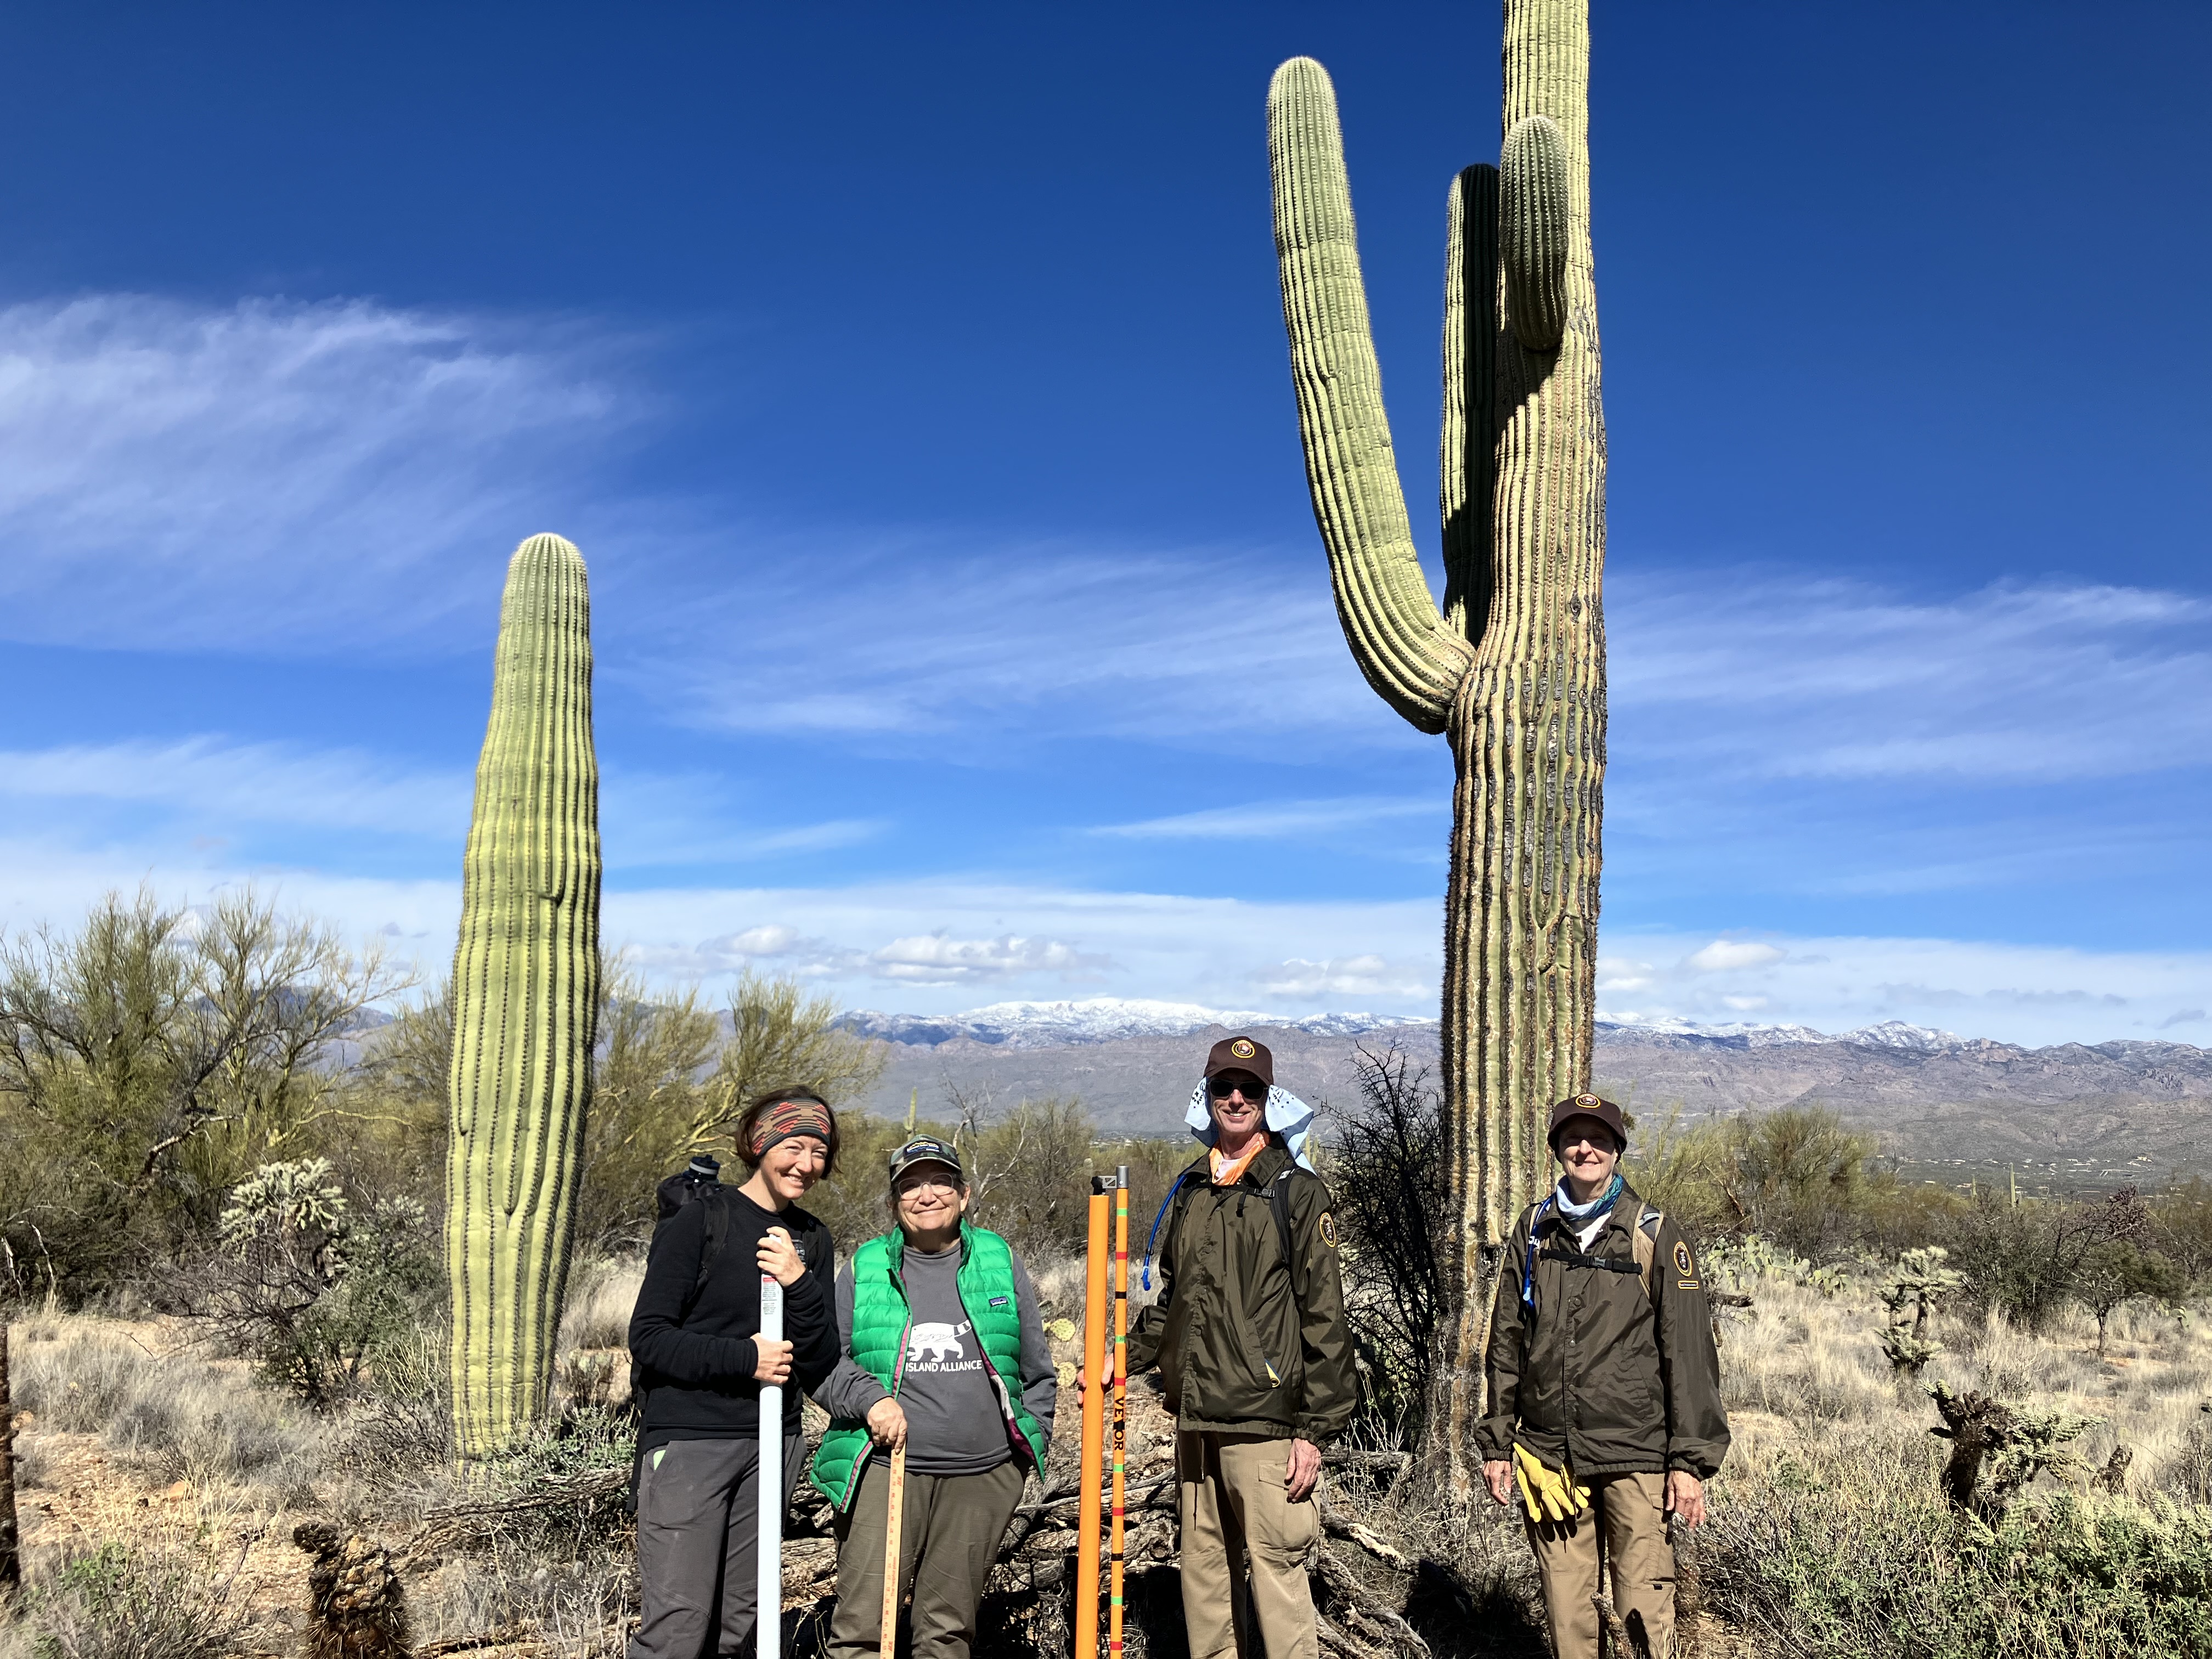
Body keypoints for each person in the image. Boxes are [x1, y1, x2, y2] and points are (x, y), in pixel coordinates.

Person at [1117, 1035, 1356, 1659]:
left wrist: (1315, 1430)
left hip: (1266, 1423)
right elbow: (1175, 1302)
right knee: (1205, 1579)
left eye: (1251, 1089)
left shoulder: (1297, 1192)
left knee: (1277, 1577)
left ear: (1268, 1101)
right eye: (1224, 1087)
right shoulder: (1191, 1188)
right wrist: (1124, 1356)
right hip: (1195, 1417)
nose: (1237, 1099)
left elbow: (1325, 1318)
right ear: (1209, 1094)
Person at [1477, 1092, 1730, 1659]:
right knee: (1569, 1618)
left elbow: (1688, 1353)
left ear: (1617, 1149)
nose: (1584, 1148)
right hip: (1549, 1453)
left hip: (1635, 1453)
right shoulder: (1535, 1229)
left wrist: (1688, 1461)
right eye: (1572, 1138)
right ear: (1557, 1149)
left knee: (1642, 1613)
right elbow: (1507, 1340)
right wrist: (1498, 1442)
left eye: (1597, 1139)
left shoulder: (1654, 1232)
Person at [811, 1135, 1058, 1659]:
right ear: (894, 1202)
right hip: (886, 1469)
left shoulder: (998, 1258)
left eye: (940, 1182)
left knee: (947, 1632)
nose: (926, 1195)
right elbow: (825, 1362)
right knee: (861, 1626)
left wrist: (1022, 1453)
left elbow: (1036, 1366)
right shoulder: (865, 1267)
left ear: (964, 1195)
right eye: (910, 1185)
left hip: (983, 1476)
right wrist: (870, 1402)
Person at [626, 1090, 842, 1659]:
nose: (805, 1164)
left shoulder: (813, 1239)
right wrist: (745, 1359)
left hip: (775, 1443)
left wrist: (800, 1283)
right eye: (792, 1146)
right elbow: (648, 1338)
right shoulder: (702, 1221)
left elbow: (820, 1357)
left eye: (819, 1152)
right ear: (758, 1144)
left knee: (739, 1621)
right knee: (679, 1622)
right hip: (692, 1440)